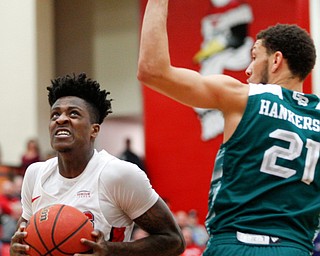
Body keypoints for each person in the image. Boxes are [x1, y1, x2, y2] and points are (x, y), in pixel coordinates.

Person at [138, 1, 318, 255]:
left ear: (276, 60)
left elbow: (152, 71)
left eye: (254, 57)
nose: (247, 69)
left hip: (236, 244)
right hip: (296, 249)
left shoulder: (244, 96)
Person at [10, 73, 185, 256]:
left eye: (73, 114)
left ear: (94, 130)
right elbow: (22, 240)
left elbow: (174, 240)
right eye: (55, 114)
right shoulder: (35, 174)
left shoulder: (119, 174)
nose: (61, 119)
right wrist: (17, 250)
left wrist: (110, 250)